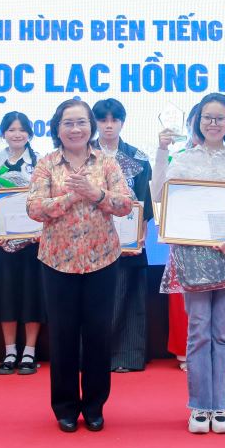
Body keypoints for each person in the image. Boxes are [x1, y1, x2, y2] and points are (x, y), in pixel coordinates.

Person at [26, 99, 134, 432]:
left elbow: (125, 204)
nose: (76, 129)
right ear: (57, 128)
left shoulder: (107, 163)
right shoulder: (47, 164)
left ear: (92, 126)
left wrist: (95, 193)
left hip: (102, 260)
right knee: (63, 336)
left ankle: (95, 405)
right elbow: (34, 208)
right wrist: (71, 197)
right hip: (58, 262)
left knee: (99, 335)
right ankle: (66, 407)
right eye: (68, 123)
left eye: (81, 122)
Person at [163, 93, 225, 434]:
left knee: (222, 332)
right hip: (194, 256)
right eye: (207, 117)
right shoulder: (183, 161)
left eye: (220, 118)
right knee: (198, 331)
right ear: (198, 121)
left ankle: (220, 406)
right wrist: (161, 153)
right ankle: (198, 406)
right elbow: (164, 199)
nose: (213, 123)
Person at [0, 111, 45, 375]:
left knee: (33, 297)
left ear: (30, 133)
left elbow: (47, 198)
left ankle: (29, 352)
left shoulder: (40, 162)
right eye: (11, 130)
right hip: (2, 243)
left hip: (34, 243)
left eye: (22, 129)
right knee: (6, 296)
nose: (17, 134)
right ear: (3, 133)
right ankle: (9, 351)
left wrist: (40, 229)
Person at [91, 98, 153, 373]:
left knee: (128, 295)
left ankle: (126, 357)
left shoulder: (138, 158)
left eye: (114, 120)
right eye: (103, 120)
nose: (108, 125)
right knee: (95, 300)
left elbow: (144, 201)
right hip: (91, 240)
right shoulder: (84, 156)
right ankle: (92, 358)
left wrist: (141, 231)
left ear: (122, 122)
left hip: (128, 240)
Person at [153, 102, 201, 372]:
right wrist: (162, 151)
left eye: (215, 119)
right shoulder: (177, 157)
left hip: (218, 238)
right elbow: (158, 193)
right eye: (199, 120)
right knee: (181, 294)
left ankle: (213, 348)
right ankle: (184, 350)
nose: (206, 125)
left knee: (217, 297)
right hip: (184, 235)